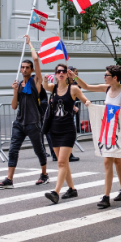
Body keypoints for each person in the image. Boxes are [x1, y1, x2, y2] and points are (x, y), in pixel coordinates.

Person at [73, 65, 121, 209]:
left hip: (120, 130)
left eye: (106, 75)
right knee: (117, 161)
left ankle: (106, 196)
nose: (104, 77)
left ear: (114, 78)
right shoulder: (106, 88)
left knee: (109, 161)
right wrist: (75, 77)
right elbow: (87, 86)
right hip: (108, 128)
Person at [0, 35, 50, 189]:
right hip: (19, 123)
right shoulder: (18, 84)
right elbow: (13, 106)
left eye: (27, 67)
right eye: (22, 67)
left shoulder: (35, 81)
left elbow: (37, 60)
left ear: (31, 70)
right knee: (13, 150)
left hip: (33, 123)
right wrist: (14, 92)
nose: (24, 69)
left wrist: (30, 43)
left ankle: (44, 174)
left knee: (39, 150)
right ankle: (9, 180)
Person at [42, 63, 91, 204]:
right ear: (56, 74)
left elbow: (85, 99)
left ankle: (55, 192)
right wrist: (45, 79)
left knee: (62, 162)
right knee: (62, 162)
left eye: (64, 71)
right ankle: (72, 189)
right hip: (54, 129)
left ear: (67, 74)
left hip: (68, 130)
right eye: (58, 71)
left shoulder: (73, 89)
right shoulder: (53, 88)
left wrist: (88, 103)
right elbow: (45, 86)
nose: (61, 73)